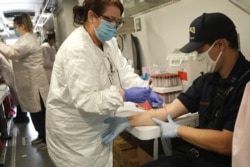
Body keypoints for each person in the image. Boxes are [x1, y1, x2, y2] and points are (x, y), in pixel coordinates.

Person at [101, 12, 250, 167]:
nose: (198, 57)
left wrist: (178, 130)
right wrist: (126, 121)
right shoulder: (207, 81)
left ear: (220, 45)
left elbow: (227, 143)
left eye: (200, 51)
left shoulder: (246, 84)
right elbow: (166, 112)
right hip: (198, 157)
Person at [45, 0, 162, 167]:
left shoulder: (109, 42)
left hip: (98, 123)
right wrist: (124, 95)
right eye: (110, 20)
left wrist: (145, 89)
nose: (114, 27)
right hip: (76, 134)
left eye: (118, 21)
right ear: (92, 16)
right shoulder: (76, 49)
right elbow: (86, 100)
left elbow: (123, 72)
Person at [0, 13, 49, 149]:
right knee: (34, 112)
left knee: (40, 113)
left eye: (16, 27)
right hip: (29, 83)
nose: (15, 30)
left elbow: (12, 53)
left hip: (35, 84)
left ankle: (47, 139)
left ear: (22, 25)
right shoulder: (24, 39)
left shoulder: (28, 40)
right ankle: (40, 135)